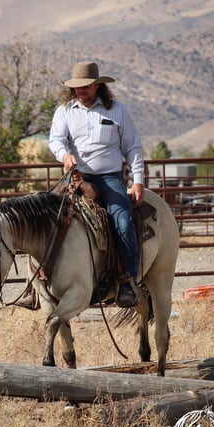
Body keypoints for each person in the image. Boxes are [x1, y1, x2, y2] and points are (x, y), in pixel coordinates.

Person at [49, 61, 145, 308]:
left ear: (98, 85)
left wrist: (138, 182)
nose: (81, 90)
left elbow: (132, 146)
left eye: (86, 85)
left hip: (109, 179)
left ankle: (127, 282)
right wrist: (64, 156)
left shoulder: (117, 111)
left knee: (122, 222)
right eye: (77, 86)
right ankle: (40, 281)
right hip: (77, 177)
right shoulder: (65, 111)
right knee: (44, 216)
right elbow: (56, 140)